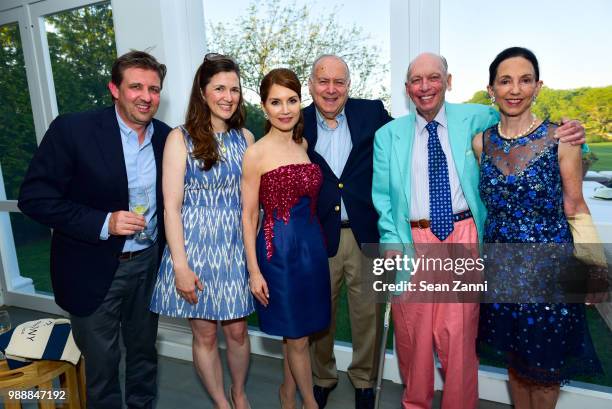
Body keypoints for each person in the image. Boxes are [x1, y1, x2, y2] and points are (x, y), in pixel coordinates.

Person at [372, 52, 585, 409]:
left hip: (463, 236)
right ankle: (416, 403)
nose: (425, 87)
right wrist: (391, 240)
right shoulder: (387, 135)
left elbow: (527, 135)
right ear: (407, 88)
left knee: (458, 337)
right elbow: (382, 197)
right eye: (417, 80)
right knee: (414, 340)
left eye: (434, 78)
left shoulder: (478, 117)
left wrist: (575, 133)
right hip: (413, 241)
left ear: (449, 81)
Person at [18, 51, 171, 409]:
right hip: (92, 267)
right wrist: (105, 222)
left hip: (148, 266)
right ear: (114, 89)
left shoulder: (166, 138)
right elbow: (34, 198)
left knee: (144, 356)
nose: (146, 96)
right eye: (135, 86)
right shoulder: (73, 130)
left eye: (154, 88)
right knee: (101, 369)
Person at [475, 47, 603, 409]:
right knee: (515, 364)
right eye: (505, 81)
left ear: (538, 86)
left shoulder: (562, 139)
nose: (515, 89)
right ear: (491, 89)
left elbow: (576, 204)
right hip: (502, 270)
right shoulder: (481, 143)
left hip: (550, 273)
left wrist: (593, 269)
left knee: (545, 372)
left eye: (525, 80)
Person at [149, 53, 255, 409]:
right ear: (203, 91)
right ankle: (220, 403)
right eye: (220, 88)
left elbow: (252, 203)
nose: (228, 96)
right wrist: (180, 265)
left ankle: (238, 394)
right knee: (205, 333)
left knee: (238, 331)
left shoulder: (246, 137)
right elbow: (171, 207)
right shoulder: (180, 139)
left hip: (235, 246)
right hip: (195, 248)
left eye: (235, 89)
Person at [303, 54, 392, 409]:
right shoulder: (296, 121)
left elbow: (407, 138)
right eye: (323, 81)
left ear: (349, 85)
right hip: (318, 234)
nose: (331, 89)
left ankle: (365, 381)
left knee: (368, 312)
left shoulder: (372, 113)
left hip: (365, 231)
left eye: (339, 82)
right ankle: (322, 377)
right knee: (319, 313)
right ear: (311, 85)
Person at [242, 68, 331, 409]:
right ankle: (310, 403)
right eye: (275, 102)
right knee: (295, 337)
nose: (285, 110)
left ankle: (286, 391)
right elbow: (249, 215)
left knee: (301, 331)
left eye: (291, 100)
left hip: (311, 248)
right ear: (263, 107)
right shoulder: (257, 153)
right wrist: (254, 271)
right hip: (278, 253)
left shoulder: (303, 144)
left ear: (300, 101)